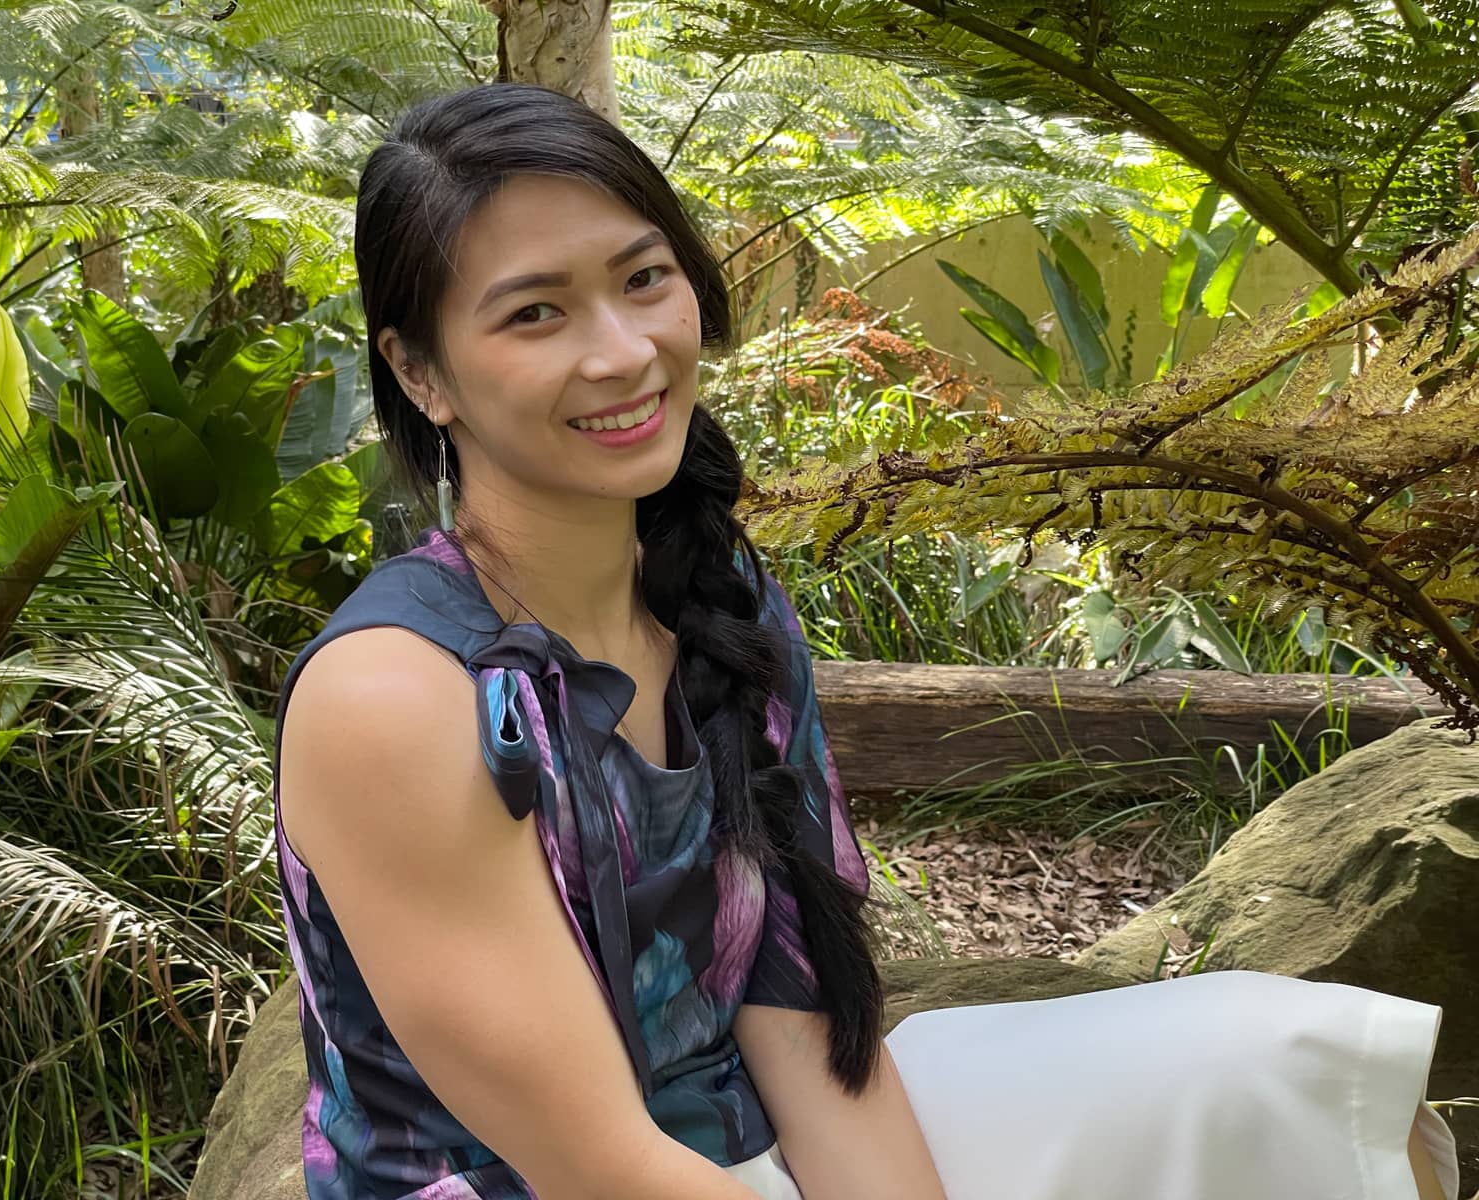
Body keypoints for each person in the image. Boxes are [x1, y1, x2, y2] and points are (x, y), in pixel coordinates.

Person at [272, 81, 1460, 1200]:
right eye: (535, 312)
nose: (623, 352)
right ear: (421, 372)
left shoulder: (709, 593)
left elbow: (802, 1027)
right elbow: (598, 1167)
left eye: (643, 279)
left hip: (748, 1148)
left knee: (1299, 1082)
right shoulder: (401, 697)